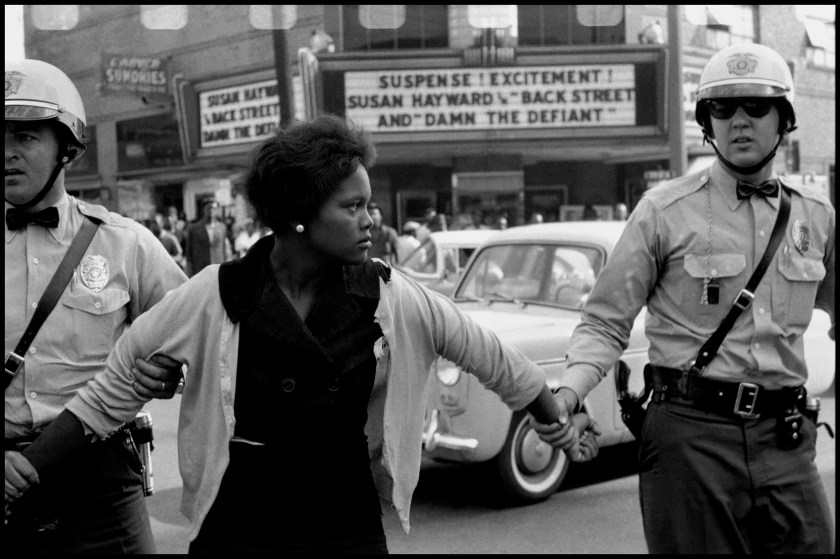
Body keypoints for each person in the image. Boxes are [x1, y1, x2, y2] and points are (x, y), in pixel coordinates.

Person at [8, 114, 599, 554]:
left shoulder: (391, 296)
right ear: (298, 213)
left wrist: (554, 417)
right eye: (354, 207)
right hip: (240, 519)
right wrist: (27, 467)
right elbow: (111, 392)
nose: (373, 221)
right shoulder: (216, 293)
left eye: (371, 205)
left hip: (344, 516)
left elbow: (491, 356)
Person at [532, 43, 835, 553]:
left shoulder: (817, 216)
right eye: (722, 108)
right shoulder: (662, 211)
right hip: (691, 439)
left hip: (785, 438)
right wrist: (568, 394)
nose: (739, 121)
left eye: (756, 106)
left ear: (784, 119)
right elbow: (605, 322)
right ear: (706, 123)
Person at [4, 59, 188, 554]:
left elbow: (198, 338)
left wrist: (171, 375)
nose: (8, 154)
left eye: (25, 137)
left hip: (101, 480)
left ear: (67, 147)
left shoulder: (126, 245)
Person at [183, 198, 232, 276]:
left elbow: (226, 250)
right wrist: (189, 274)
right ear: (204, 210)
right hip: (200, 270)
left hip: (218, 270)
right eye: (209, 208)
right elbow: (189, 255)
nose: (211, 210)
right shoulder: (194, 229)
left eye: (214, 208)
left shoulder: (222, 228)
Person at [367, 201, 400, 265]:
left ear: (381, 216)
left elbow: (397, 253)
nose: (372, 217)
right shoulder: (363, 234)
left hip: (385, 268)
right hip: (368, 268)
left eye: (374, 214)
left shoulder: (389, 232)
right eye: (369, 214)